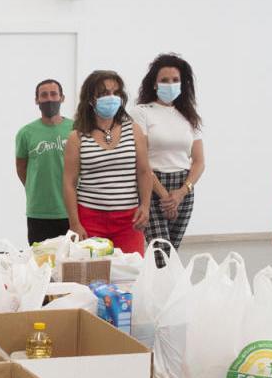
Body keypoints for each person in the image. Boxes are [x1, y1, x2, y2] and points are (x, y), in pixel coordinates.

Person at [62, 70, 152, 253]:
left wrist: (145, 205)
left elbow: (144, 171)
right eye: (103, 93)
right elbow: (69, 183)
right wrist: (74, 223)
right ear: (90, 99)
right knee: (93, 277)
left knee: (130, 274)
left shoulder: (133, 129)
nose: (111, 98)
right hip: (90, 220)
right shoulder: (77, 137)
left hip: (129, 221)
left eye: (115, 93)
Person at [133, 53, 205, 252]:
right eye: (164, 80)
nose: (170, 84)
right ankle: (162, 283)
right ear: (154, 84)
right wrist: (165, 196)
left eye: (175, 80)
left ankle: (164, 284)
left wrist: (181, 193)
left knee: (171, 251)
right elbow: (142, 159)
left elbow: (199, 161)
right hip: (152, 185)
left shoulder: (189, 116)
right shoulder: (142, 112)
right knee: (161, 251)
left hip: (183, 188)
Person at [16, 79, 74, 244]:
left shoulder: (76, 129)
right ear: (37, 100)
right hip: (38, 212)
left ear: (62, 98)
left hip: (71, 211)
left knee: (71, 263)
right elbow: (21, 167)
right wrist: (35, 187)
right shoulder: (25, 133)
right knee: (40, 263)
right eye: (44, 95)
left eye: (54, 94)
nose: (49, 99)